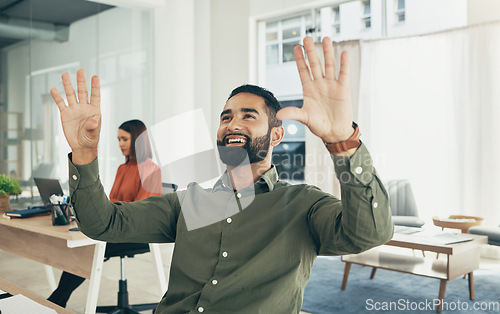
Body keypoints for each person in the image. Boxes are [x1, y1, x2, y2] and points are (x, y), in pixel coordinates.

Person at [50, 36, 393, 313]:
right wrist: (84, 154)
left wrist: (343, 143)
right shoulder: (191, 202)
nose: (233, 123)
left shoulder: (303, 204)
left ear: (275, 135)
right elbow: (103, 224)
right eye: (226, 116)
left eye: (248, 116)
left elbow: (368, 234)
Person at [47, 119, 161, 308]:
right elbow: (112, 202)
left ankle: (57, 300)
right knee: (83, 243)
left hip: (138, 232)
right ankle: (57, 300)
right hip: (117, 226)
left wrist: (112, 213)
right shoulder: (122, 168)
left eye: (124, 139)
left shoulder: (150, 169)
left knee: (88, 249)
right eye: (118, 139)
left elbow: (143, 210)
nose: (120, 144)